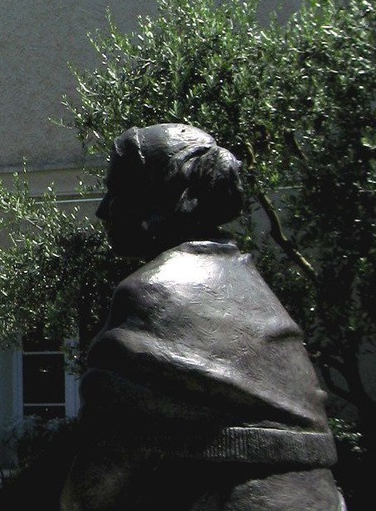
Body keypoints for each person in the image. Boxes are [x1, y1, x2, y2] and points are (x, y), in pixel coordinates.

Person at [62, 124, 342, 511]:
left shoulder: (152, 293)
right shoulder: (254, 288)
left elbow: (96, 482)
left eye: (116, 191)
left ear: (157, 198)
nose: (102, 210)